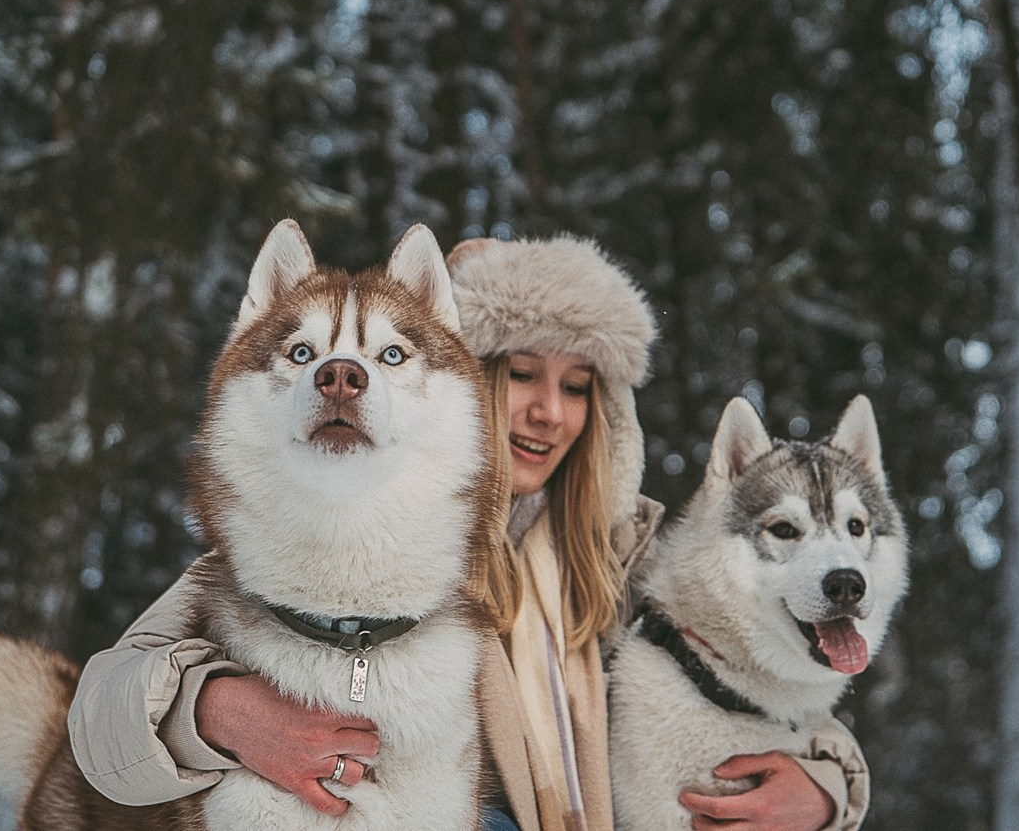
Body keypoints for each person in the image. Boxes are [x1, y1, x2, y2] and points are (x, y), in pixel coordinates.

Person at [66, 234, 870, 831]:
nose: (548, 412)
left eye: (577, 385)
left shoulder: (620, 559)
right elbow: (102, 708)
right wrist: (217, 710)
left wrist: (829, 788)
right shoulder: (330, 535)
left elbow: (770, 687)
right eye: (520, 374)